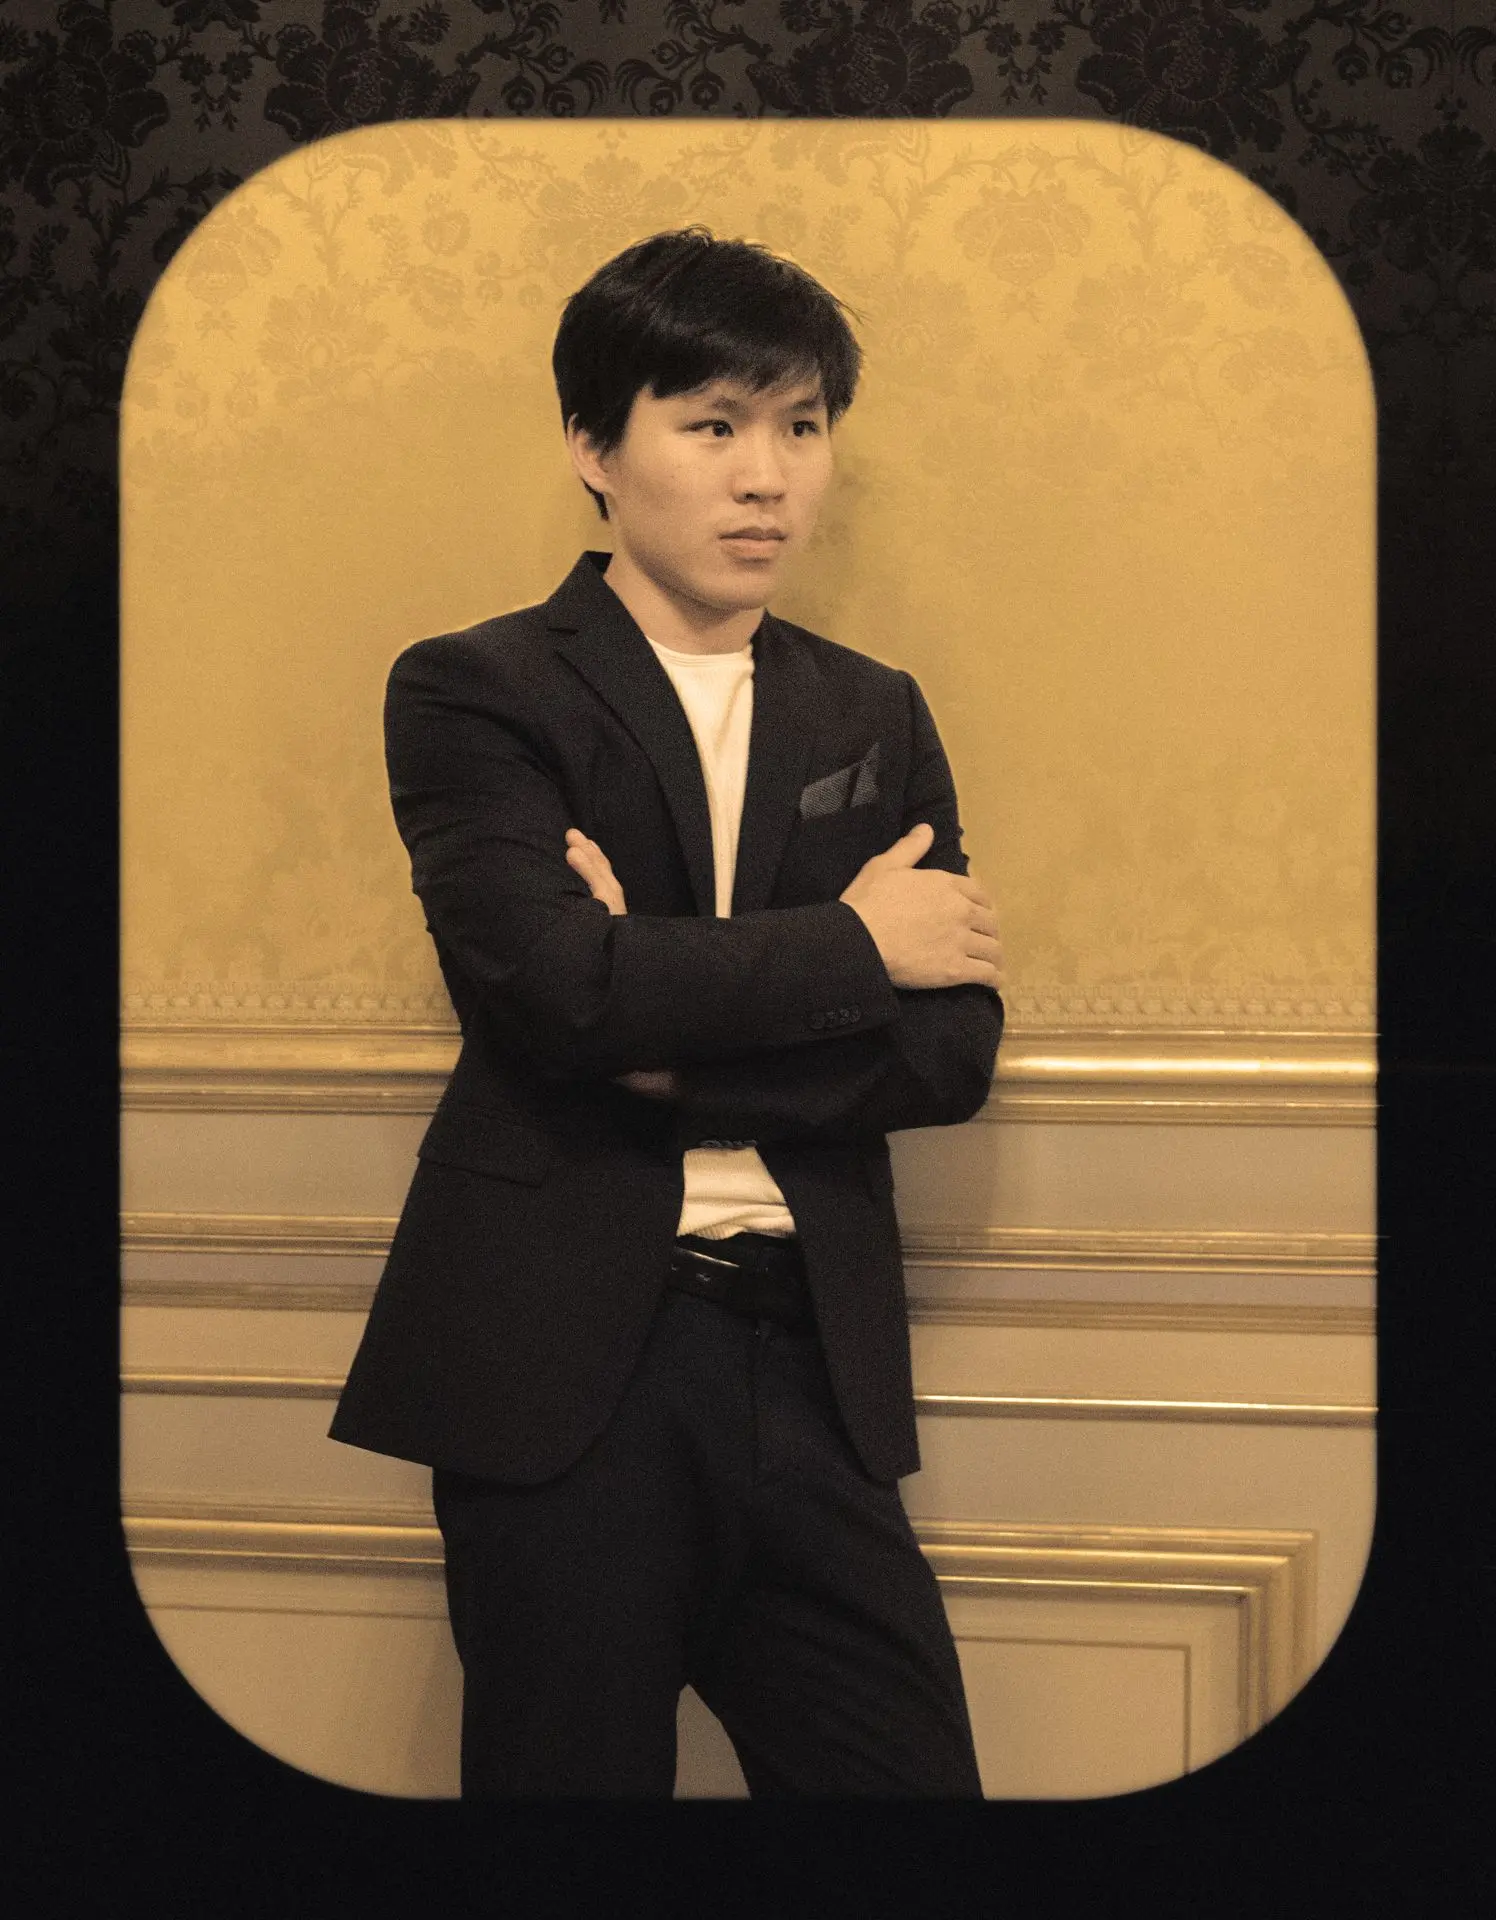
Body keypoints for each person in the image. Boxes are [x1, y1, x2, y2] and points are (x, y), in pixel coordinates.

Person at [329, 226, 1006, 1798]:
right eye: (712, 425)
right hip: (568, 1370)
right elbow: (559, 994)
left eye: (802, 425)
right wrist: (853, 944)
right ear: (593, 445)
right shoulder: (475, 687)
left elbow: (950, 1052)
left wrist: (661, 1046)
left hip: (815, 1364)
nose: (767, 477)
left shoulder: (873, 709)